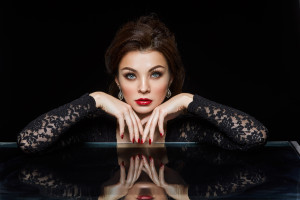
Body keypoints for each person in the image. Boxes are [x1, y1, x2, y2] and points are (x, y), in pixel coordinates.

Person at [17, 13, 268, 154]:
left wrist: (188, 100)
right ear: (117, 80)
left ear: (171, 78)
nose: (144, 87)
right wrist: (95, 99)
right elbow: (28, 143)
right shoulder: (96, 130)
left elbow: (255, 137)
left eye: (156, 74)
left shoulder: (187, 130)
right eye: (130, 75)